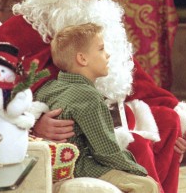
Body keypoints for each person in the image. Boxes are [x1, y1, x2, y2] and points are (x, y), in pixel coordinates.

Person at [0, 0, 186, 193]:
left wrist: (179, 116)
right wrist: (34, 123)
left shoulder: (91, 22)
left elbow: (133, 79)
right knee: (138, 147)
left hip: (107, 113)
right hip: (73, 133)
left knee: (170, 122)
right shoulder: (19, 32)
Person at [35, 23, 159, 193]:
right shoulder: (88, 96)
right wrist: (139, 170)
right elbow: (106, 152)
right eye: (101, 49)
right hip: (78, 168)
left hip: (54, 167)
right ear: (82, 59)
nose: (107, 54)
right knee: (146, 185)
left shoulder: (48, 88)